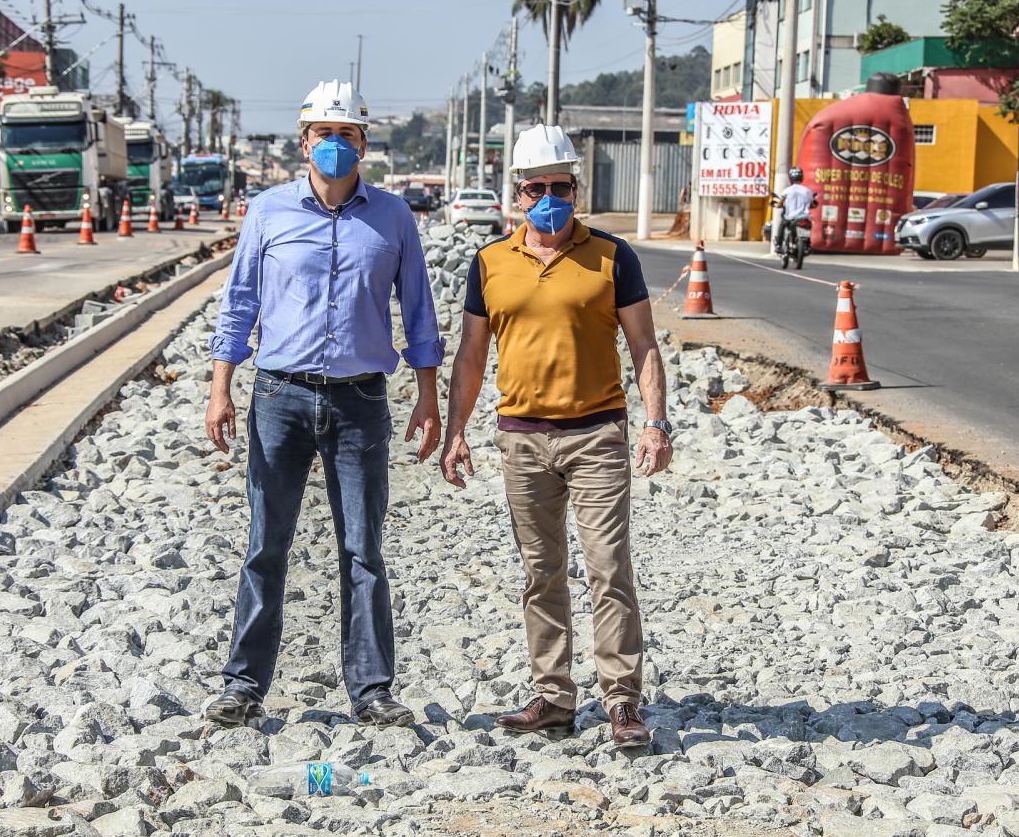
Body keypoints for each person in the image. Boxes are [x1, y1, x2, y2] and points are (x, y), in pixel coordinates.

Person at [203, 79, 445, 729]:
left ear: (364, 144)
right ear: (302, 142)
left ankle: (372, 691)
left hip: (360, 403)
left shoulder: (393, 218)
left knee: (363, 550)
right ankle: (242, 685)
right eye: (322, 135)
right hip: (278, 397)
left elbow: (419, 314)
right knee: (265, 544)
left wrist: (429, 399)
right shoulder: (267, 212)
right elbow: (240, 303)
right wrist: (220, 386)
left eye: (346, 135)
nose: (333, 146)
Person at [439, 124, 672, 747]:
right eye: (537, 187)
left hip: (597, 433)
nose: (550, 197)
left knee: (608, 568)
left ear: (577, 189)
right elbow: (471, 354)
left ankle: (622, 702)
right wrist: (455, 431)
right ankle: (553, 699)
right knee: (541, 572)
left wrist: (655, 423)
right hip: (522, 439)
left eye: (561, 186)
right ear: (518, 195)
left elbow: (644, 344)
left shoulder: (613, 256)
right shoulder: (489, 262)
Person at [772, 166, 816, 253]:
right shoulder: (808, 191)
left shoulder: (787, 190)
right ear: (802, 177)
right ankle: (807, 245)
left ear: (790, 178)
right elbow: (812, 204)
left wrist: (778, 205)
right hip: (804, 217)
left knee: (782, 224)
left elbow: (780, 203)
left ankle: (778, 245)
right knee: (808, 227)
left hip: (790, 217)